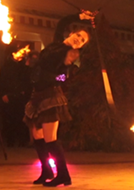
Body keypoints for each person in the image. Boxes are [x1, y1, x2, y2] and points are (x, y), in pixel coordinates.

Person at [24, 11, 94, 187]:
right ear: (72, 34)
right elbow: (63, 21)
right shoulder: (57, 44)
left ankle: (63, 175)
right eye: (78, 35)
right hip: (37, 95)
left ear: (80, 46)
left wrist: (53, 77)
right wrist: (81, 17)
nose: (79, 39)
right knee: (37, 135)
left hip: (51, 97)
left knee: (50, 139)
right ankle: (47, 171)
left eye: (82, 41)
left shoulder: (69, 54)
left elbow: (63, 78)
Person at [0, 45, 32, 147]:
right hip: (8, 96)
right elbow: (2, 81)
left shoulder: (23, 67)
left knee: (20, 119)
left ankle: (21, 141)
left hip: (20, 97)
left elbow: (26, 81)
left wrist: (24, 92)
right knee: (9, 119)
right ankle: (10, 141)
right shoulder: (6, 66)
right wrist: (3, 94)